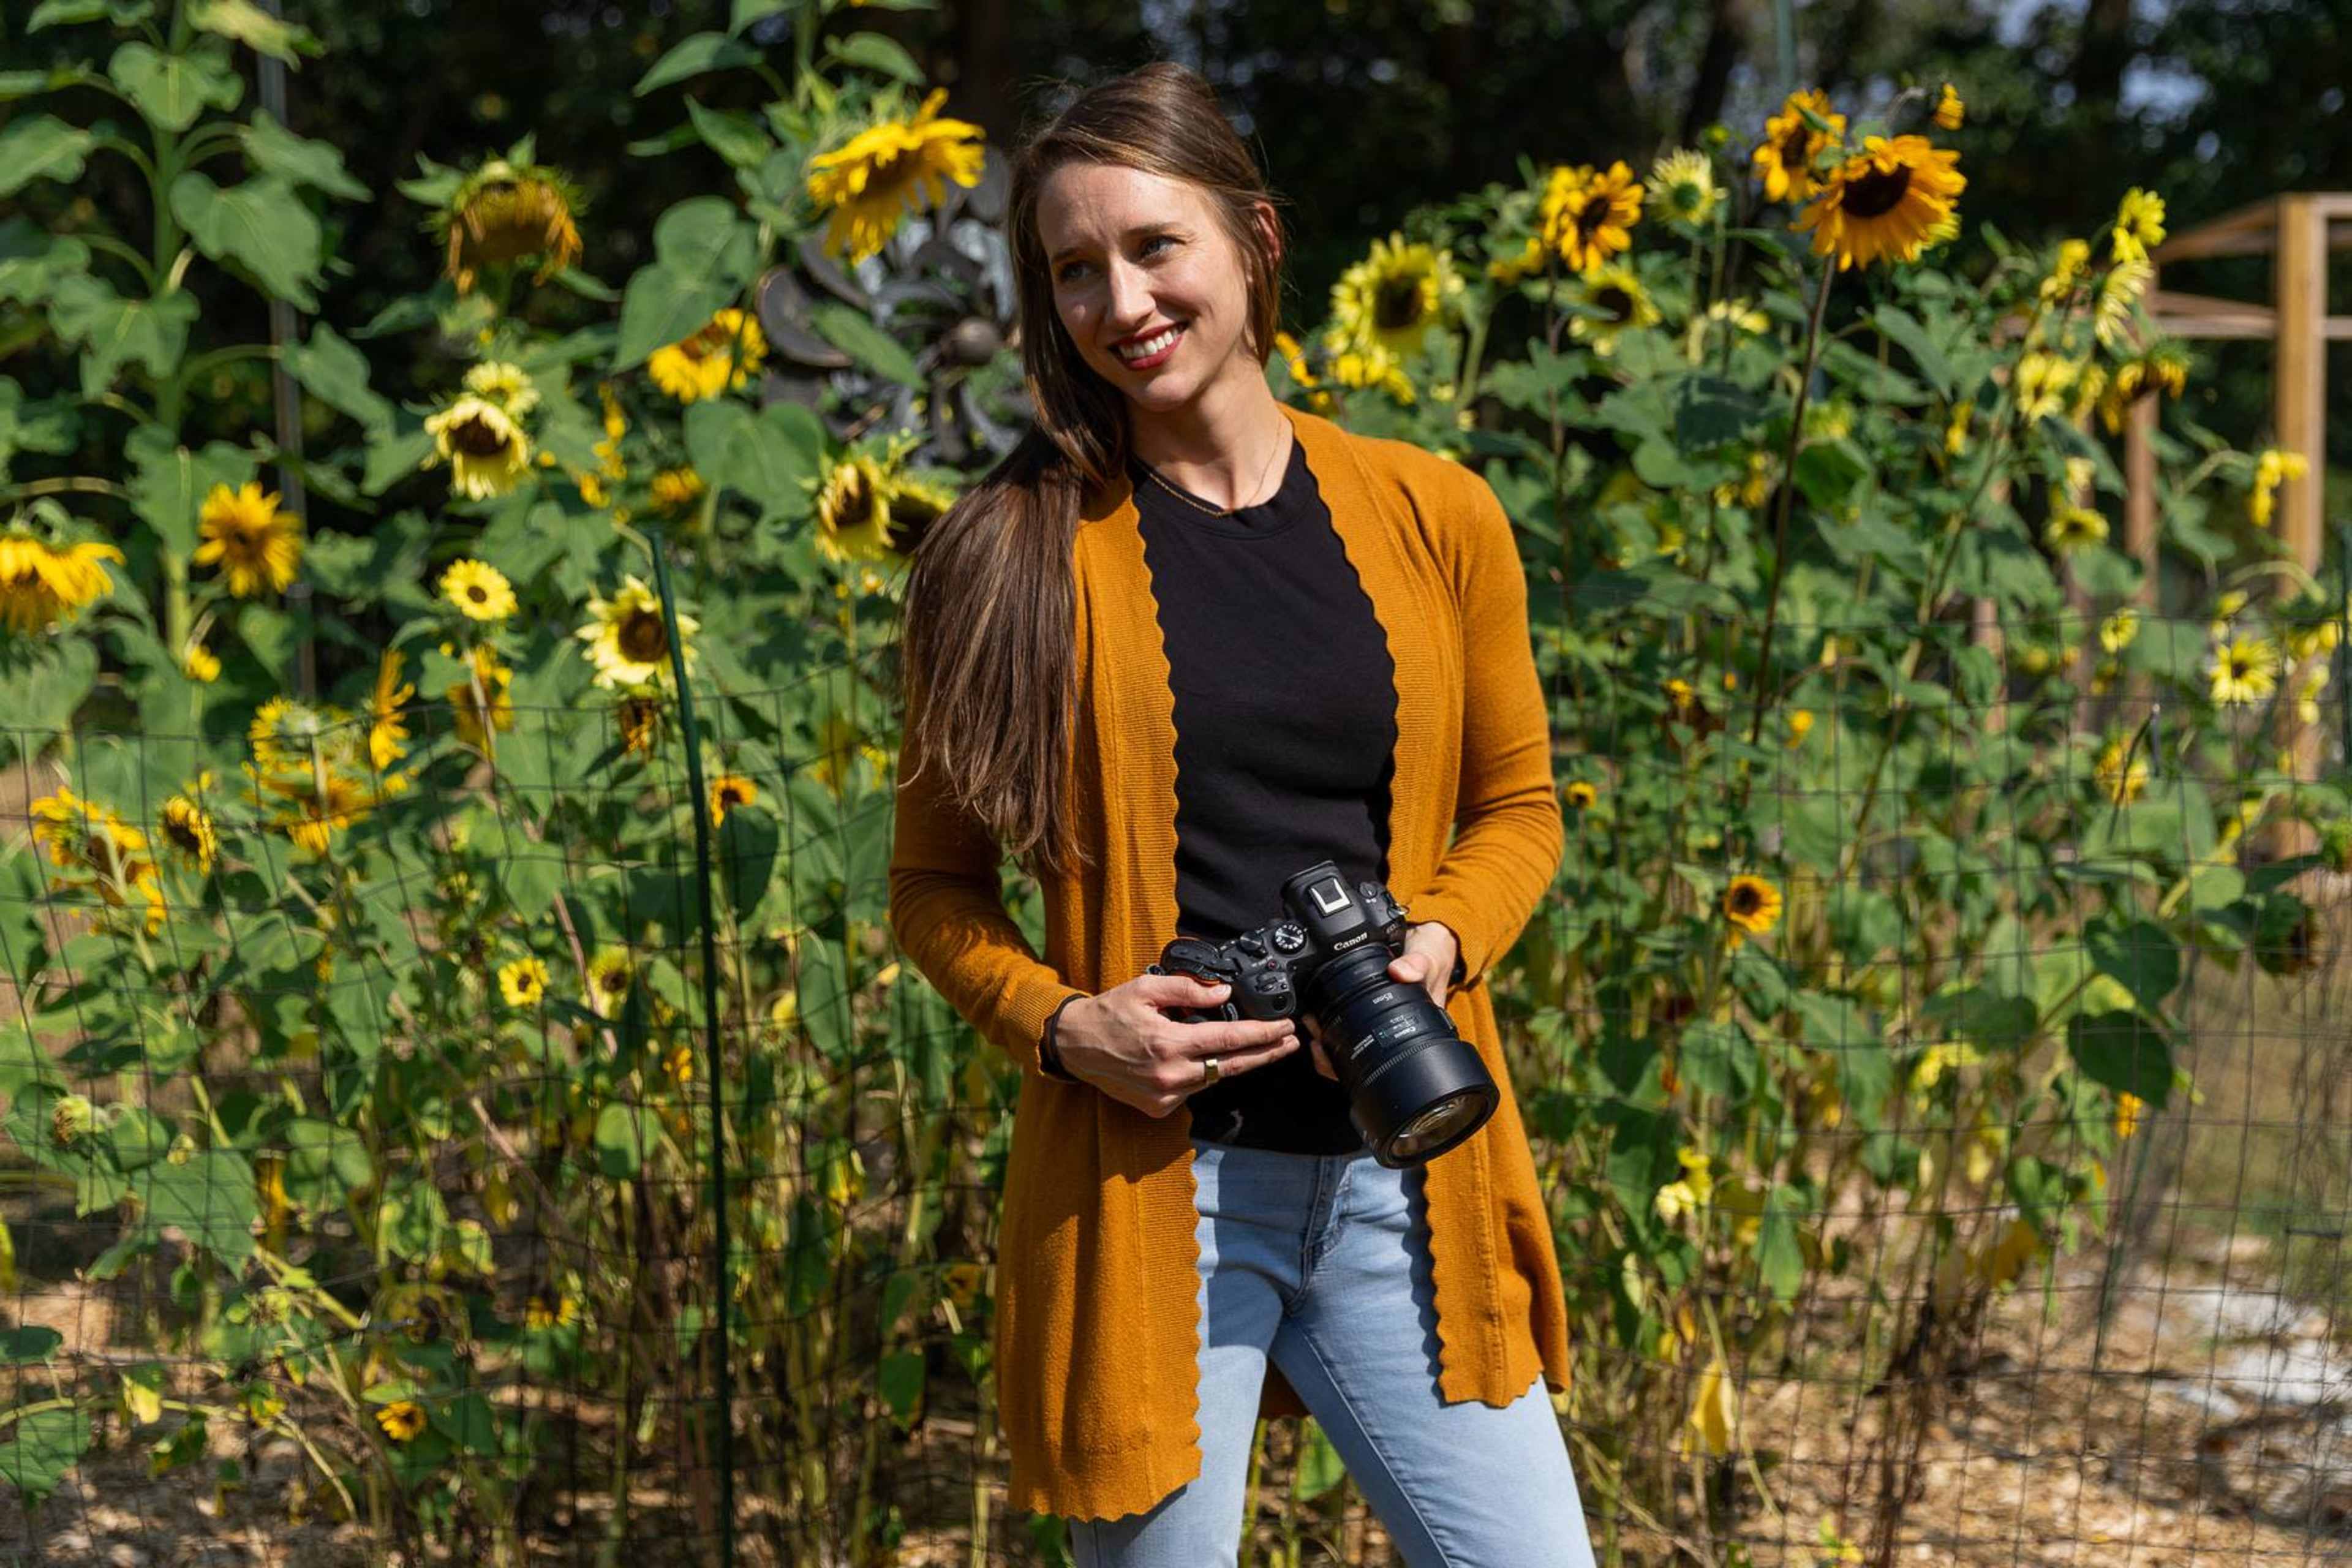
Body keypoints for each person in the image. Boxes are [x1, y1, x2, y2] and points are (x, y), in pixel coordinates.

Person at [886, 60, 1593, 1567]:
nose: (1119, 301)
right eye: (1072, 269)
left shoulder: (1433, 511)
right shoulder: (1002, 559)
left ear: (1254, 240)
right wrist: (1068, 1022)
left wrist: (1448, 942)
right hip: (1156, 1192)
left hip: (1411, 1158)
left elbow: (1517, 803)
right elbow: (934, 888)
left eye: (1155, 247)